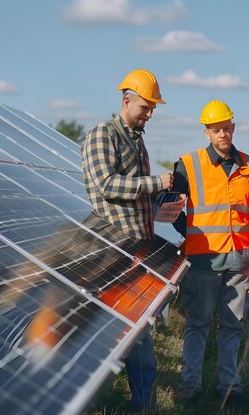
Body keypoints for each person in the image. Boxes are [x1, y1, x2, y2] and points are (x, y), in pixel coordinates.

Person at [80, 68, 173, 414]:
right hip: (111, 249)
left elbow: (135, 193)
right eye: (146, 106)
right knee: (110, 329)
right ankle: (92, 401)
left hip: (138, 248)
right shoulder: (103, 134)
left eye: (153, 108)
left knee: (138, 328)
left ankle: (142, 404)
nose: (150, 113)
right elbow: (107, 184)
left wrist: (164, 204)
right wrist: (157, 184)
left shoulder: (136, 139)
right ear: (126, 100)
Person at [171, 100, 249, 409]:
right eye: (216, 129)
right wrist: (193, 232)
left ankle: (230, 387)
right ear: (206, 132)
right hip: (203, 258)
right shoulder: (188, 164)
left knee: (234, 325)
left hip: (240, 258)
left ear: (233, 127)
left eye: (227, 127)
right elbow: (171, 211)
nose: (223, 133)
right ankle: (190, 385)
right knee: (198, 323)